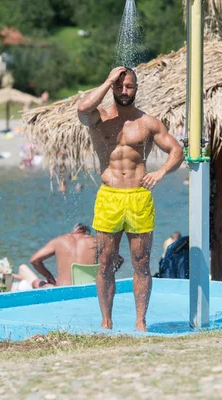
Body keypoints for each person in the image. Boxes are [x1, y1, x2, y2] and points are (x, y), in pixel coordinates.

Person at [77, 66, 184, 332]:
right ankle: (107, 322)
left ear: (137, 88)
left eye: (130, 86)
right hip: (109, 197)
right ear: (112, 87)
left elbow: (177, 151)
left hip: (138, 197)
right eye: (119, 86)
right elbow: (81, 108)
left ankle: (140, 322)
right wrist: (108, 78)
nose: (124, 91)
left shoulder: (147, 122)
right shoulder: (99, 118)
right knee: (105, 261)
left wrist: (159, 173)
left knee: (141, 262)